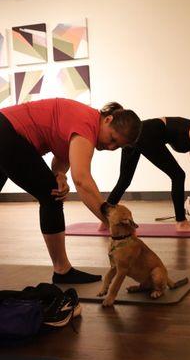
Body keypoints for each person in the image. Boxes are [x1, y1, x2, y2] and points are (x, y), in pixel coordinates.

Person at [0, 98, 141, 283]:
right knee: (51, 195)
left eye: (118, 146)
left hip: (5, 130)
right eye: (112, 139)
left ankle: (62, 270)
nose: (111, 147)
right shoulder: (86, 125)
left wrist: (60, 175)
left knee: (51, 188)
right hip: (6, 133)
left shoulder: (84, 121)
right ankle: (62, 271)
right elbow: (82, 180)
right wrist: (111, 221)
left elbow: (62, 158)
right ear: (108, 120)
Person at [100, 116, 190, 232]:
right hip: (146, 134)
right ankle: (181, 223)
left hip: (136, 133)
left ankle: (104, 221)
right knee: (178, 175)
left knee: (124, 180)